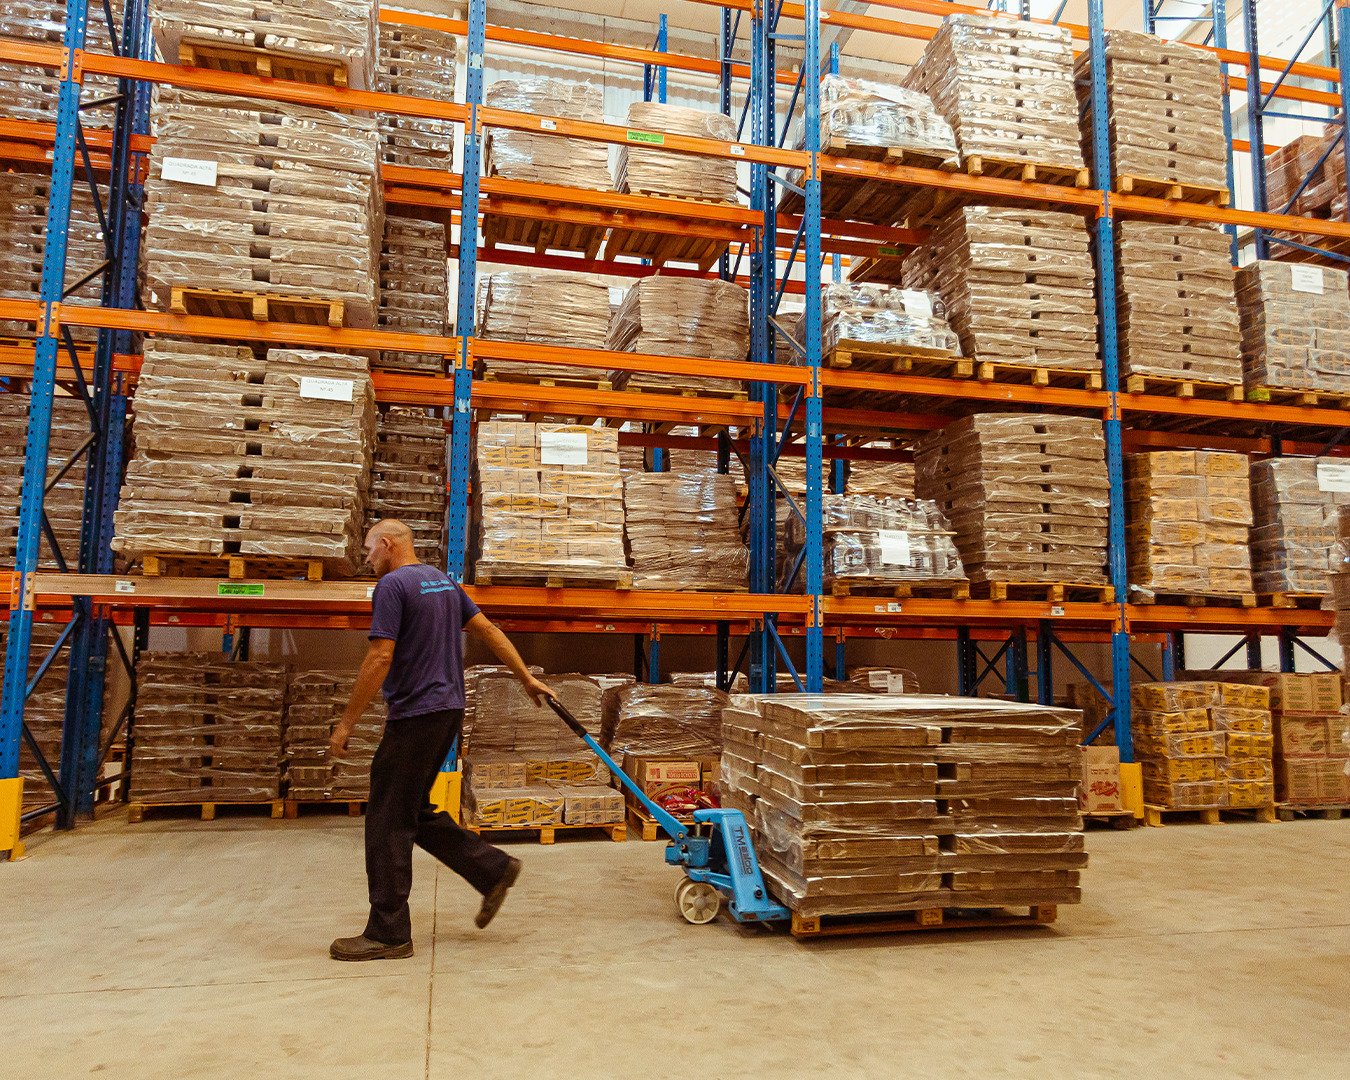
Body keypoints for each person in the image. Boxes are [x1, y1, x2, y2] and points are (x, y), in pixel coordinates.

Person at [328, 519, 555, 962]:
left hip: (415, 715)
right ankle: (492, 870)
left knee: (386, 822)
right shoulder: (444, 583)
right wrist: (525, 677)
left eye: (370, 550)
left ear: (387, 545)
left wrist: (346, 724)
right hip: (448, 710)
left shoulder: (392, 586)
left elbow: (379, 656)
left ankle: (388, 932)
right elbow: (489, 630)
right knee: (413, 810)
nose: (368, 559)